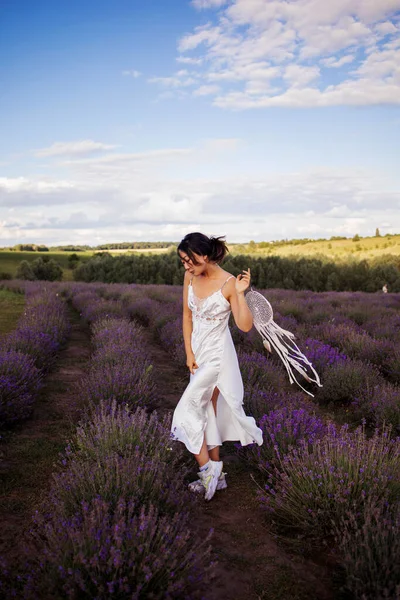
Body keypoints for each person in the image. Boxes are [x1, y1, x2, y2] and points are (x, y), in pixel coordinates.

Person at [171, 232, 263, 501]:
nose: (187, 266)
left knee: (186, 411)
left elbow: (245, 326)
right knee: (206, 412)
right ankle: (216, 478)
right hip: (197, 357)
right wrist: (188, 352)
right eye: (183, 261)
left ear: (206, 256)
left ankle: (208, 470)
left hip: (217, 358)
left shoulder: (229, 283)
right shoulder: (190, 277)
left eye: (190, 260)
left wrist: (241, 294)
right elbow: (187, 316)